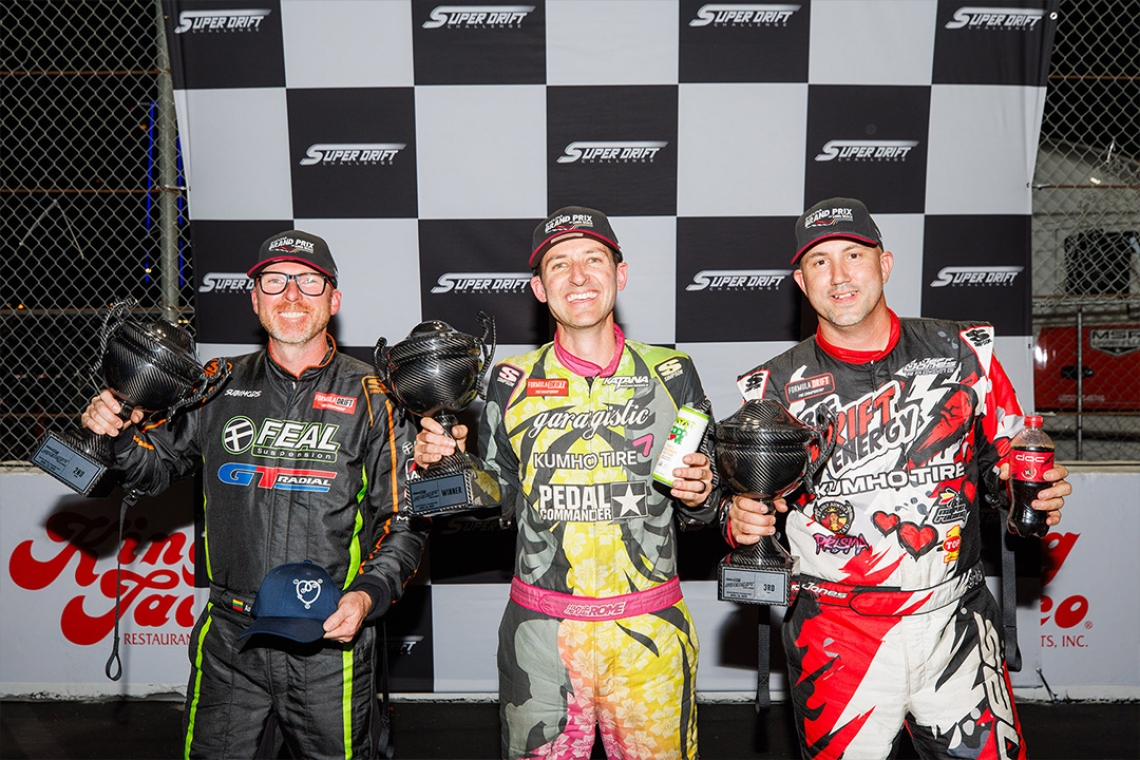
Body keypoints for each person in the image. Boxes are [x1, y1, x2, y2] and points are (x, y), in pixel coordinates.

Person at [722, 197, 1072, 760]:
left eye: (854, 255)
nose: (839, 276)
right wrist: (738, 519)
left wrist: (1029, 491)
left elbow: (1005, 464)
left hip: (955, 621)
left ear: (884, 264)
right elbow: (742, 508)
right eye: (819, 262)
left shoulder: (965, 353)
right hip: (837, 633)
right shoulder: (772, 388)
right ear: (801, 282)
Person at [81, 230, 425, 760]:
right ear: (255, 298)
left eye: (309, 281)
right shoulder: (216, 383)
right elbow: (150, 470)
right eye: (275, 281)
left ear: (334, 299)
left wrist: (365, 596)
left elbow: (405, 522)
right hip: (231, 637)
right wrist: (119, 434)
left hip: (330, 638)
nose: (292, 294)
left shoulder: (375, 395)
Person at [414, 207, 716, 760]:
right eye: (559, 265)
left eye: (593, 260)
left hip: (650, 633)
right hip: (540, 636)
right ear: (539, 288)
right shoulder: (509, 381)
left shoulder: (672, 373)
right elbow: (502, 499)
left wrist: (701, 494)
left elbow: (704, 504)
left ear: (620, 274)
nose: (578, 277)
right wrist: (453, 471)